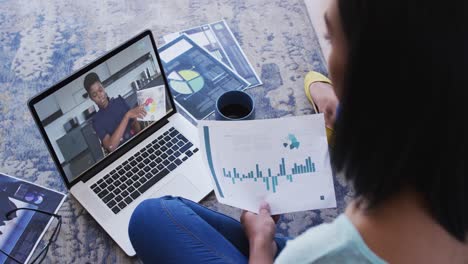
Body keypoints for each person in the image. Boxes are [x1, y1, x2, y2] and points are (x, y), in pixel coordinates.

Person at [128, 0, 468, 263]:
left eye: (330, 39)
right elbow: (314, 80)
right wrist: (335, 99)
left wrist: (261, 246)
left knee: (150, 217)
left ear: (369, 75)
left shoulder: (319, 253)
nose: (328, 56)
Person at [83, 72, 147, 153]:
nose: (100, 96)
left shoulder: (119, 101)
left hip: (139, 146)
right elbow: (111, 147)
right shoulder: (97, 121)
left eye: (100, 90)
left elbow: (136, 129)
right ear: (91, 98)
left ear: (103, 87)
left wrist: (136, 118)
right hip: (123, 155)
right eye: (95, 95)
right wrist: (127, 116)